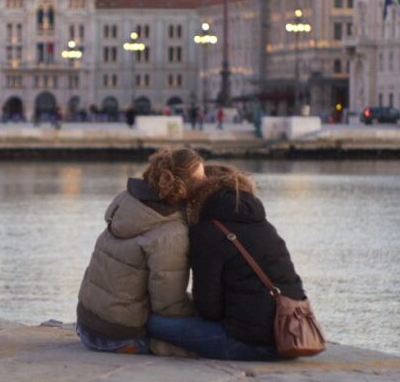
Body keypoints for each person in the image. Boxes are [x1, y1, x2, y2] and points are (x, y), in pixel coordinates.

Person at [146, 164, 308, 360]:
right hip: (291, 336)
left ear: (198, 194)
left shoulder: (207, 231)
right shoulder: (263, 223)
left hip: (249, 344)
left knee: (150, 322)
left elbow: (208, 309)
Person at [76, 147, 205, 354]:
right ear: (185, 188)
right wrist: (202, 309)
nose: (206, 185)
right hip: (117, 336)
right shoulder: (172, 233)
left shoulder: (127, 202)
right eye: (201, 181)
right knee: (209, 332)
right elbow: (169, 308)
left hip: (86, 324)